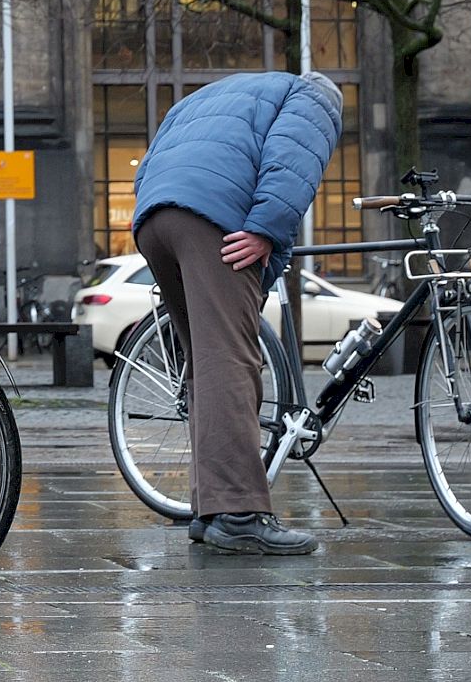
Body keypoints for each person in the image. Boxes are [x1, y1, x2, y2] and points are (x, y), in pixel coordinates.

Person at [131, 69, 344, 556]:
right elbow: (294, 161)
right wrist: (267, 228)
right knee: (230, 358)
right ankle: (241, 514)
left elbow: (147, 166)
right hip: (212, 217)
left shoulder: (207, 98)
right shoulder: (313, 94)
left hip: (156, 217)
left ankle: (210, 508)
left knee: (204, 361)